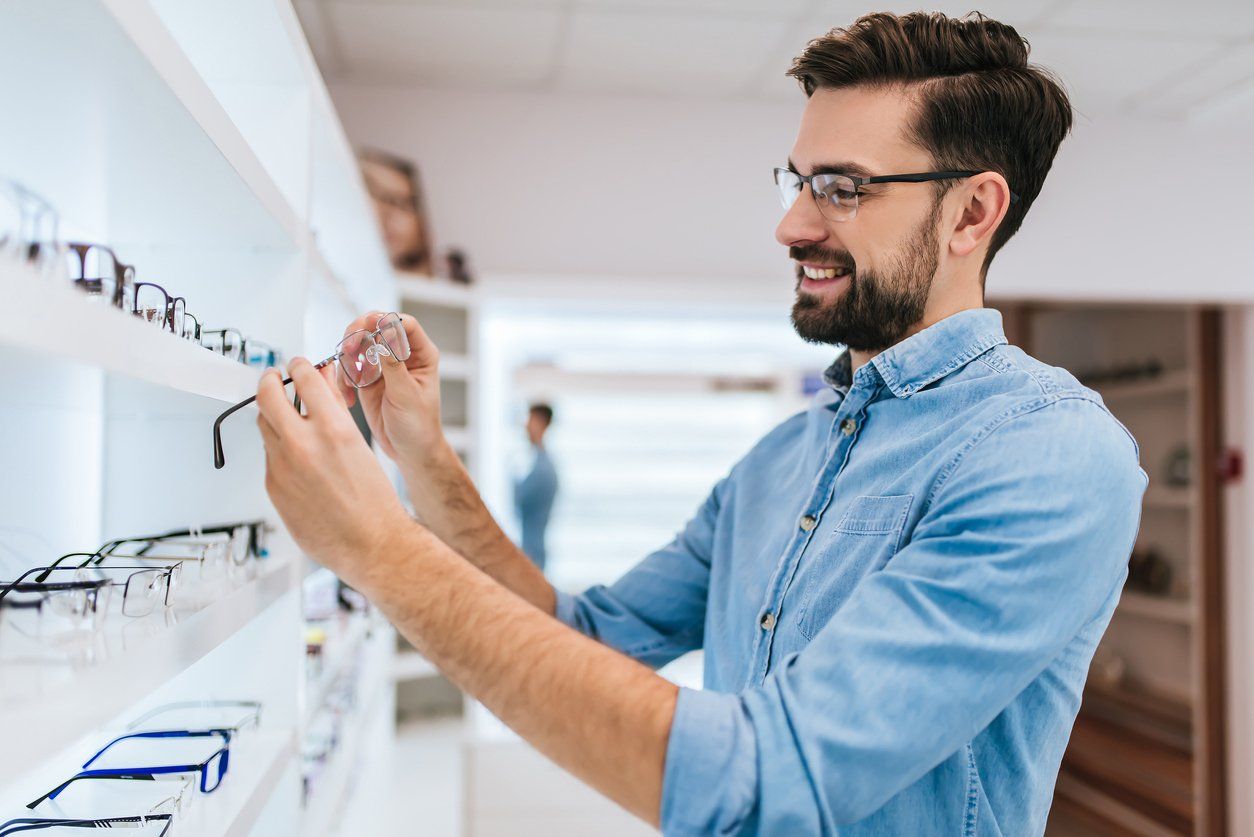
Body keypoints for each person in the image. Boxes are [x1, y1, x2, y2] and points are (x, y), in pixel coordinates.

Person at [254, 12, 1147, 835]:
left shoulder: (1051, 454)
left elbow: (764, 782)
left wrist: (377, 548)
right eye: (798, 182)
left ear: (971, 213)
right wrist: (423, 456)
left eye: (840, 188)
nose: (791, 225)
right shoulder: (780, 461)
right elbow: (584, 632)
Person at [513, 403, 559, 571]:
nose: (526, 425)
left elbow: (520, 500)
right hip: (531, 551)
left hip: (532, 554)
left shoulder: (543, 469)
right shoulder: (538, 464)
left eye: (530, 419)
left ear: (540, 423)